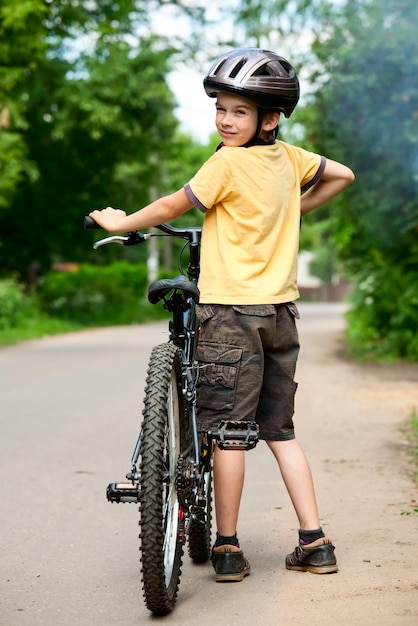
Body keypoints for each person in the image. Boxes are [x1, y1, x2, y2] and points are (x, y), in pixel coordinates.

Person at [90, 48, 355, 583]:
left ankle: (228, 548)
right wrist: (292, 210)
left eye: (239, 111)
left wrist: (122, 223)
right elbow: (343, 175)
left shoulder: (226, 163)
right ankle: (314, 540)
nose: (226, 121)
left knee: (230, 433)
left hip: (231, 314)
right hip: (281, 314)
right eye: (222, 109)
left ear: (270, 118)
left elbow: (171, 207)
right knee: (280, 431)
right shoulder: (291, 159)